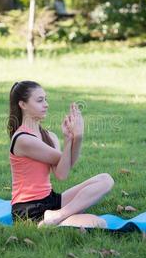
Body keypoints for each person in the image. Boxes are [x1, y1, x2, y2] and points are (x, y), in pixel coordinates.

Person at [8, 81, 114, 228]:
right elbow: (64, 168)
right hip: (28, 210)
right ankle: (53, 219)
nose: (46, 104)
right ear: (23, 105)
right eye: (40, 100)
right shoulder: (23, 139)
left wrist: (77, 137)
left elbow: (61, 172)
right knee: (99, 223)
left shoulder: (49, 136)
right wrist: (70, 139)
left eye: (46, 99)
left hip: (50, 200)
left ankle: (58, 216)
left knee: (106, 180)